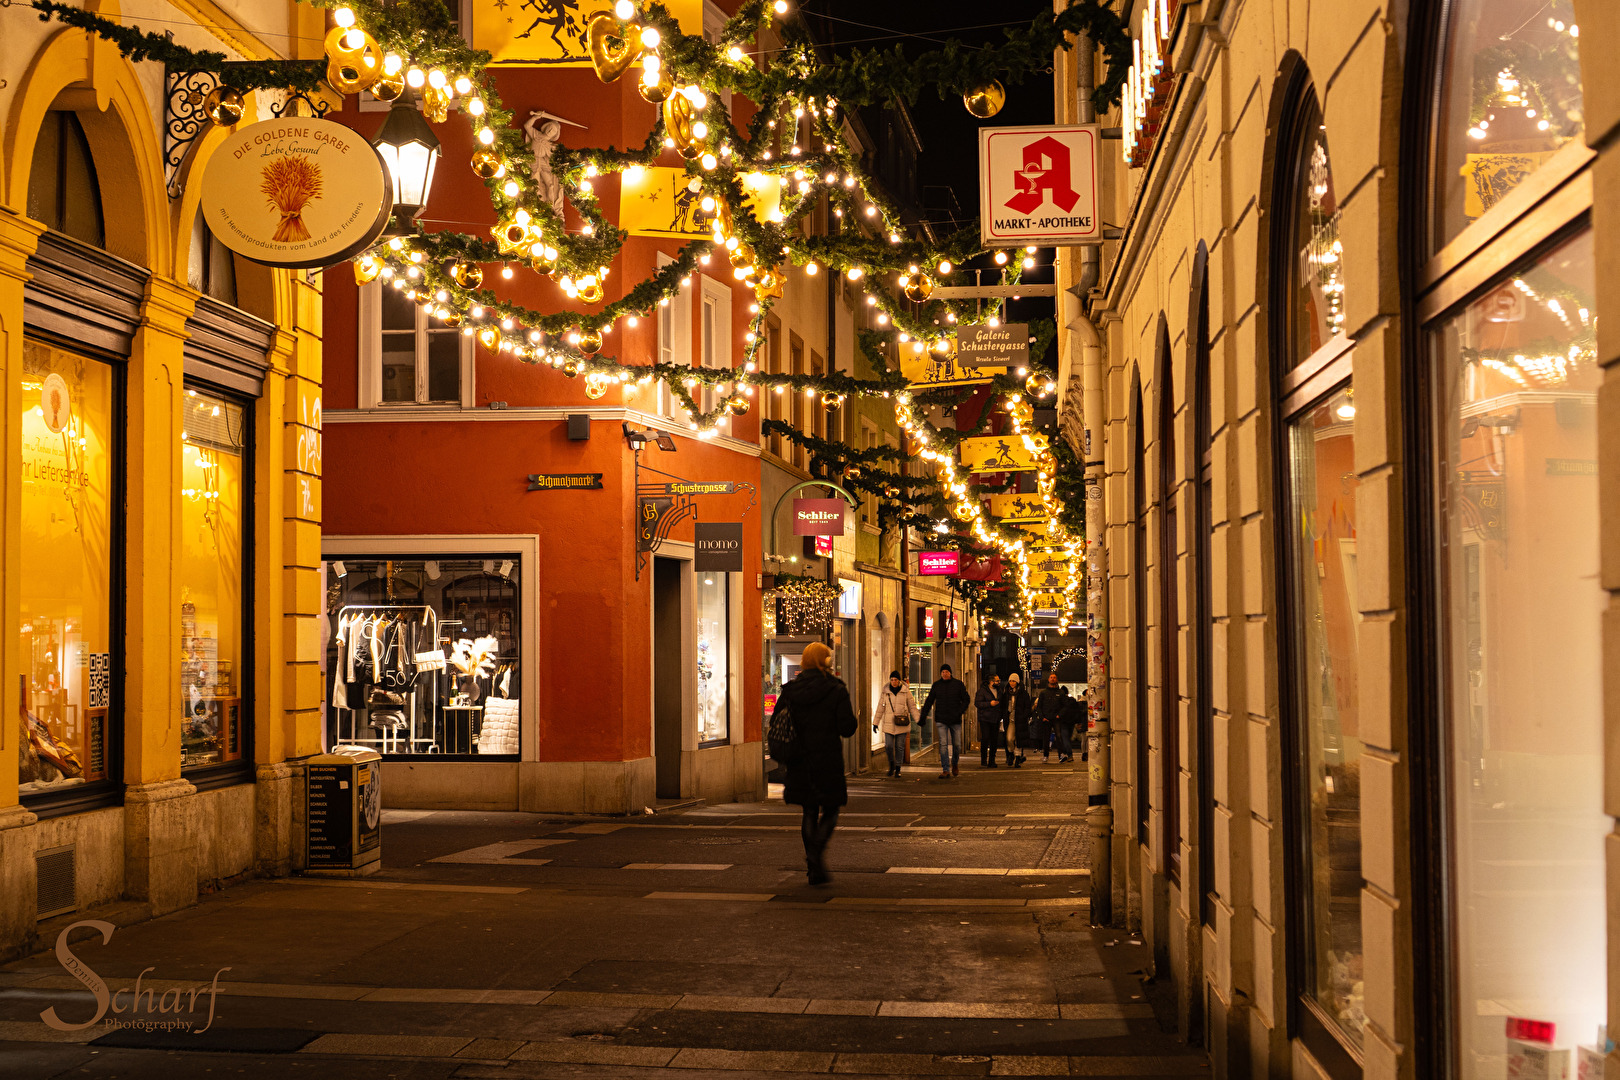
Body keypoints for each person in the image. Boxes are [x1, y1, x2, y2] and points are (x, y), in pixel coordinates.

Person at [776, 641, 857, 885]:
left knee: (809, 810)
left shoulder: (790, 690)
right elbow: (847, 728)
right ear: (826, 661)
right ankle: (815, 856)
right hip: (827, 758)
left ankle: (814, 866)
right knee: (831, 808)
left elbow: (779, 721)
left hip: (799, 758)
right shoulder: (835, 689)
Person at [918, 663, 971, 778]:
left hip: (955, 719)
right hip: (941, 719)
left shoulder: (958, 684)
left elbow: (966, 699)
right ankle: (945, 769)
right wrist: (923, 717)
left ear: (950, 673)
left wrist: (959, 712)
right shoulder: (937, 686)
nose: (944, 674)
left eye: (946, 672)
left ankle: (955, 763)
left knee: (957, 745)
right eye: (942, 672)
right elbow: (929, 701)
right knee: (943, 744)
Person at [873, 670, 918, 778]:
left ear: (899, 681)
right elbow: (880, 708)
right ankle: (891, 764)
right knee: (888, 746)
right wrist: (875, 723)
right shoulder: (885, 692)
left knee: (899, 747)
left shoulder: (905, 691)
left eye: (896, 680)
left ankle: (898, 769)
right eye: (892, 680)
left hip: (902, 724)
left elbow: (912, 706)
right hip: (888, 724)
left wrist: (918, 719)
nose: (893, 682)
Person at [1033, 670, 1069, 763]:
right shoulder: (1044, 693)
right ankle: (1045, 755)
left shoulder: (1060, 692)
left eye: (1054, 678)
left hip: (1056, 718)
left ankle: (1061, 755)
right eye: (1051, 677)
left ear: (1057, 680)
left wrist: (1059, 715)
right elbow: (1039, 706)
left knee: (1059, 736)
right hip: (1046, 718)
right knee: (1046, 737)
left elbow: (1065, 705)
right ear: (1048, 680)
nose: (1053, 679)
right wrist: (1042, 717)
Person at [1006, 671, 1034, 767]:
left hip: (1020, 719)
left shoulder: (1023, 693)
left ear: (1017, 682)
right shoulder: (1007, 693)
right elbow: (1003, 705)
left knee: (1018, 739)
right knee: (1009, 738)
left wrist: (1024, 715)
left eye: (1013, 681)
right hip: (1010, 719)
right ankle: (1011, 753)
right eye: (1010, 681)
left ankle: (1017, 756)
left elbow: (1027, 707)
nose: (1012, 683)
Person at [975, 673, 1003, 768]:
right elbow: (978, 703)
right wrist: (989, 704)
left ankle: (992, 760)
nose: (999, 682)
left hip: (995, 718)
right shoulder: (982, 691)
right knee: (985, 738)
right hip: (985, 718)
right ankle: (983, 759)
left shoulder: (999, 691)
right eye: (997, 681)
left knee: (994, 740)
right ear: (991, 682)